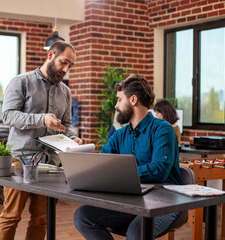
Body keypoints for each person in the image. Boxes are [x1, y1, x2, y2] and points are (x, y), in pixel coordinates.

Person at [73, 74, 181, 240]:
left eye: (118, 100)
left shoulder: (163, 129)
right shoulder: (119, 135)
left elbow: (159, 170)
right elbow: (101, 164)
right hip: (133, 200)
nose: (116, 106)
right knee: (83, 216)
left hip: (164, 202)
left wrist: (122, 174)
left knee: (136, 232)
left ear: (133, 100)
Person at [0, 41, 83, 240]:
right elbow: (8, 116)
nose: (66, 69)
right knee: (11, 216)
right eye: (64, 62)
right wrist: (41, 119)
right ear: (51, 55)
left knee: (41, 219)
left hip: (49, 164)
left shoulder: (66, 92)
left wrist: (73, 139)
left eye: (70, 65)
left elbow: (66, 125)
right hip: (21, 160)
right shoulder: (21, 81)